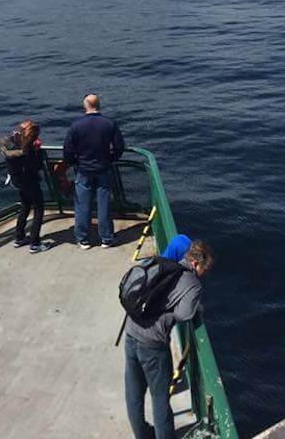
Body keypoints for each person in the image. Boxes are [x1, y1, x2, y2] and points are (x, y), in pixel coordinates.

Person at [124, 239, 214, 439]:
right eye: (205, 270)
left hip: (131, 331)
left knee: (134, 394)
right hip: (152, 345)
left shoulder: (163, 264)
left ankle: (142, 434)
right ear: (196, 264)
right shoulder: (192, 284)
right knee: (160, 400)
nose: (205, 275)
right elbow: (184, 315)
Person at [63, 92, 125, 249]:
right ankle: (106, 238)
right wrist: (111, 158)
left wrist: (74, 162)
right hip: (103, 168)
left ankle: (83, 239)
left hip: (83, 169)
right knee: (104, 204)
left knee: (82, 205)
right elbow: (119, 146)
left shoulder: (76, 125)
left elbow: (67, 151)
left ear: (85, 106)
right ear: (99, 105)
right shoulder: (109, 123)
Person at [0, 119, 47, 253]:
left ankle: (19, 237)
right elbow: (36, 166)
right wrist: (37, 152)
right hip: (30, 182)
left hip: (18, 182)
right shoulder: (28, 151)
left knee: (25, 207)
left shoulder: (12, 146)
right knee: (39, 210)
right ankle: (35, 243)